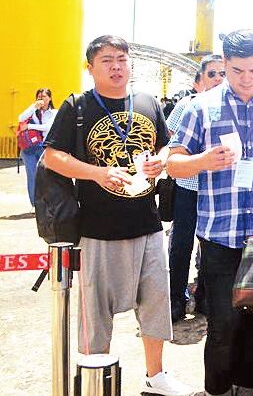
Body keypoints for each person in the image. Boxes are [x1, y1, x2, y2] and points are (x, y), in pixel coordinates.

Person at [42, 35, 192, 395]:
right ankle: (96, 378)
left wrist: (161, 161)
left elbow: (164, 145)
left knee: (156, 304)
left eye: (122, 60)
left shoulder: (148, 102)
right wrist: (97, 173)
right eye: (107, 60)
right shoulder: (77, 106)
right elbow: (51, 156)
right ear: (90, 67)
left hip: (148, 224)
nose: (116, 67)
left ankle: (156, 375)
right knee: (95, 314)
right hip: (97, 228)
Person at [167, 30, 253, 396]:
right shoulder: (201, 107)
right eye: (237, 70)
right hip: (219, 236)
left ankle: (246, 388)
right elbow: (173, 164)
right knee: (222, 325)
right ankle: (218, 389)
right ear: (224, 63)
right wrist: (202, 161)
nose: (246, 79)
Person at [165, 54, 225, 322]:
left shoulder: (230, 107)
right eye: (212, 74)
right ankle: (175, 297)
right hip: (189, 186)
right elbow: (170, 138)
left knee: (211, 245)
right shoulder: (187, 105)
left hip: (217, 188)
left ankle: (204, 295)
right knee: (182, 243)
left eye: (222, 74)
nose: (218, 79)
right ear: (198, 80)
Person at [18, 88, 56, 206]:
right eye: (39, 97)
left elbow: (47, 127)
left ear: (49, 98)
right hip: (29, 148)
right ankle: (35, 205)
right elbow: (20, 118)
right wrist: (34, 107)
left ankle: (48, 202)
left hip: (44, 148)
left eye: (44, 96)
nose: (41, 99)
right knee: (32, 176)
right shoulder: (33, 112)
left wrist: (29, 126)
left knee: (47, 176)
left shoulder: (54, 113)